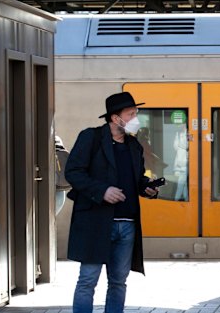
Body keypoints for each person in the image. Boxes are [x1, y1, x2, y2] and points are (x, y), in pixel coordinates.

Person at [65, 92, 160, 313]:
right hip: (95, 222)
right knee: (88, 280)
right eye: (131, 114)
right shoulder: (91, 138)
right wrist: (102, 191)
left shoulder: (134, 145)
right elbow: (73, 172)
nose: (136, 118)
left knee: (118, 282)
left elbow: (135, 179)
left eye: (136, 113)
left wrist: (146, 187)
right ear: (116, 118)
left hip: (127, 224)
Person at [173, 126, 189, 201]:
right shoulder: (179, 134)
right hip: (181, 163)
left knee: (181, 184)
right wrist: (178, 136)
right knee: (183, 184)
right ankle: (186, 199)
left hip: (184, 164)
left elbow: (186, 145)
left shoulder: (187, 134)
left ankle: (176, 199)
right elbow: (175, 146)